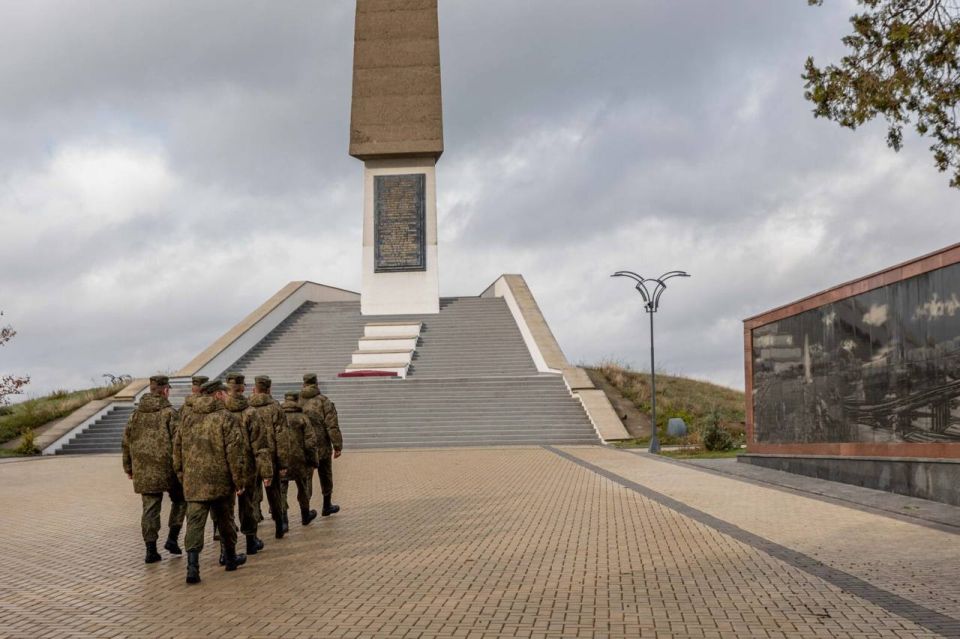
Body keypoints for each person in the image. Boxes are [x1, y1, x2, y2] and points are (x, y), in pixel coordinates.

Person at [173, 379, 247, 584]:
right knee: (225, 522)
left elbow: (177, 451)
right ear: (217, 395)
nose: (227, 396)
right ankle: (230, 559)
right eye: (224, 393)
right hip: (220, 482)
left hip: (194, 482)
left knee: (194, 525)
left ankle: (192, 568)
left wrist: (182, 476)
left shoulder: (187, 418)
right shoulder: (226, 418)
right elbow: (235, 453)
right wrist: (238, 480)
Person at [121, 374, 186, 563]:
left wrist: (129, 467)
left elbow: (126, 442)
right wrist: (181, 468)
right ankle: (172, 539)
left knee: (150, 509)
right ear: (165, 390)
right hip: (169, 469)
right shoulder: (170, 413)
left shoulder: (135, 414)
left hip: (144, 470)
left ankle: (150, 550)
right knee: (181, 500)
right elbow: (178, 443)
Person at [224, 372, 268, 555]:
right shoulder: (251, 413)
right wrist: (267, 473)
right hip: (247, 467)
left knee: (225, 509)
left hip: (225, 467)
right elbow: (260, 445)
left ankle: (225, 550)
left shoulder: (220, 412)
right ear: (243, 389)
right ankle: (251, 541)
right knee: (247, 504)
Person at [248, 375, 288, 539]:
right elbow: (282, 437)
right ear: (269, 389)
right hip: (271, 457)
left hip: (251, 456)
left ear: (254, 389)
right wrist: (283, 461)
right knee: (274, 493)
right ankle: (279, 526)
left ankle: (252, 534)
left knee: (251, 495)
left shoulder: (247, 407)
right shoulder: (275, 408)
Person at [300, 373, 343, 516]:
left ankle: (305, 512)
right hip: (322, 444)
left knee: (306, 478)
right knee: (325, 474)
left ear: (304, 384)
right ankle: (326, 505)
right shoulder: (323, 401)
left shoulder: (297, 401)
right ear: (316, 383)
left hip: (304, 446)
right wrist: (337, 446)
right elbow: (332, 425)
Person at [280, 391, 319, 525]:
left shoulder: (278, 417)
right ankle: (305, 515)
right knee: (303, 487)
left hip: (281, 459)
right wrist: (313, 460)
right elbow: (310, 442)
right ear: (297, 400)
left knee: (281, 489)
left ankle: (283, 519)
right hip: (300, 460)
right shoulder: (302, 418)